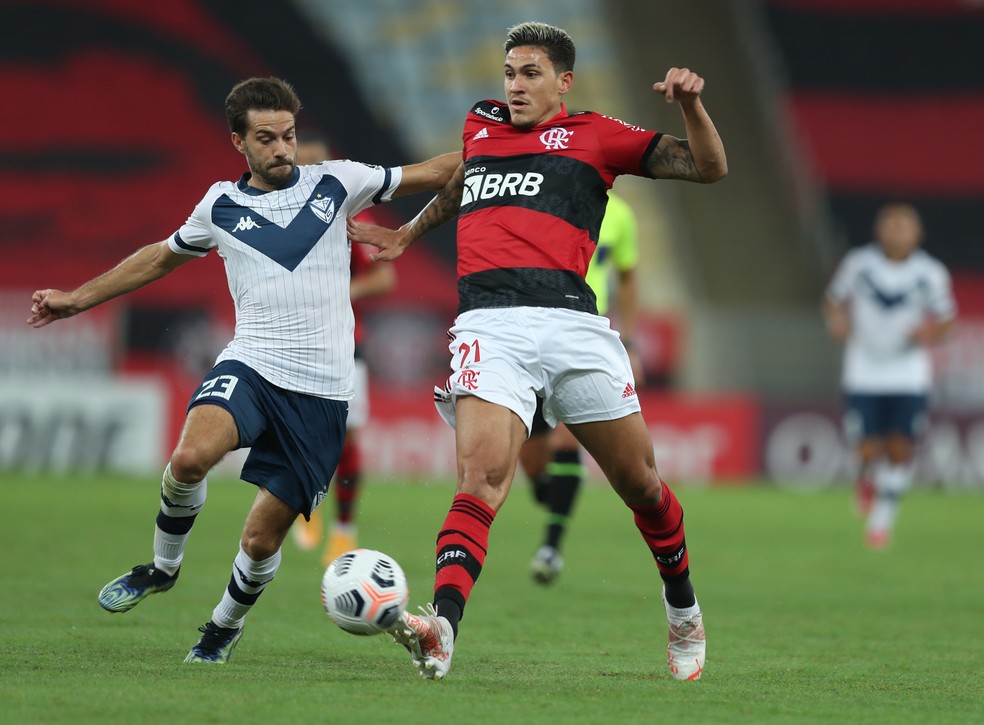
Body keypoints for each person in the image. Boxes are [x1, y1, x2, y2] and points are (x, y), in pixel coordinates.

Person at [26, 76, 460, 664]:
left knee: (259, 540)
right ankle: (162, 567)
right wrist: (76, 299)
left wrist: (500, 150)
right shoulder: (219, 206)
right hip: (252, 364)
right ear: (238, 141)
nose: (282, 149)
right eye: (266, 138)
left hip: (322, 395)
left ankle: (223, 626)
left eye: (288, 135)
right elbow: (158, 258)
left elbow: (438, 171)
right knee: (188, 459)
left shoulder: (339, 182)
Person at [348, 22, 727, 681]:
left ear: (563, 81)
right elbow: (463, 182)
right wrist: (408, 232)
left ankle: (683, 607)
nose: (515, 86)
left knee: (641, 483)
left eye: (530, 74)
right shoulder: (482, 127)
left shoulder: (597, 135)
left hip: (572, 325)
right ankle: (442, 629)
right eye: (509, 73)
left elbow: (708, 166)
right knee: (482, 479)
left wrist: (691, 105)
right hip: (489, 326)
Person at [520, 190, 645, 584]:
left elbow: (627, 279)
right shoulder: (549, 195)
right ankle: (556, 492)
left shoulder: (621, 215)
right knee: (534, 464)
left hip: (587, 333)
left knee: (567, 440)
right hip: (536, 330)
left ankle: (550, 548)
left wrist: (631, 343)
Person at [290, 135, 397, 566]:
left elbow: (384, 278)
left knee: (347, 436)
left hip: (345, 344)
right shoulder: (275, 218)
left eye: (316, 164)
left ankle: (344, 529)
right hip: (294, 343)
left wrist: (339, 294)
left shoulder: (346, 219)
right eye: (302, 164)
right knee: (299, 433)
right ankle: (307, 506)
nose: (309, 172)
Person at [823, 202, 956, 549]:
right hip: (864, 369)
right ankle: (864, 478)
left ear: (917, 233)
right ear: (878, 230)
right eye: (890, 224)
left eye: (903, 225)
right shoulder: (858, 264)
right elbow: (834, 300)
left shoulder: (931, 273)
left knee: (898, 448)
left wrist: (930, 333)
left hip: (907, 373)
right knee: (867, 449)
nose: (896, 232)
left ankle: (881, 522)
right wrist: (837, 320)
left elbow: (947, 319)